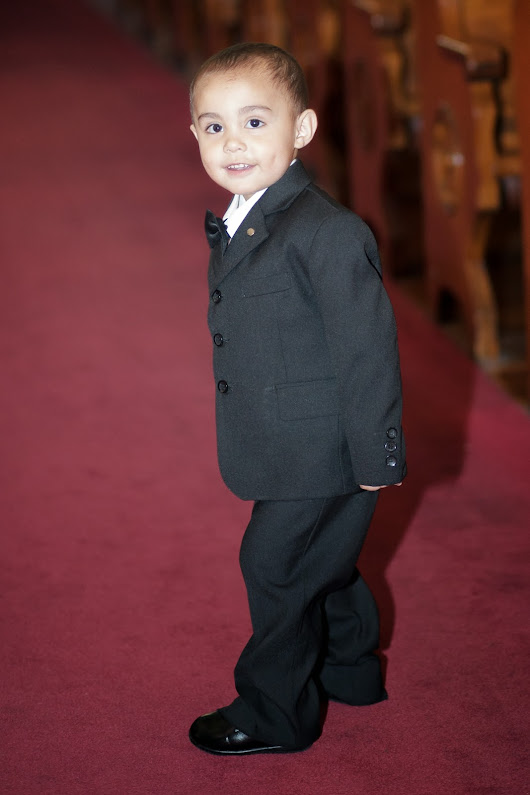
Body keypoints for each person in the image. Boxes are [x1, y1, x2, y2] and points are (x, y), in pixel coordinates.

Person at [188, 42, 406, 756]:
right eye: (214, 126)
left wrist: (377, 458)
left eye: (255, 122)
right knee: (323, 562)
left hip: (327, 446)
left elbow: (368, 351)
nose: (233, 142)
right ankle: (350, 669)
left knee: (276, 566)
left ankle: (274, 713)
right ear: (194, 134)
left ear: (302, 129)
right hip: (283, 437)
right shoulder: (247, 214)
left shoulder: (328, 232)